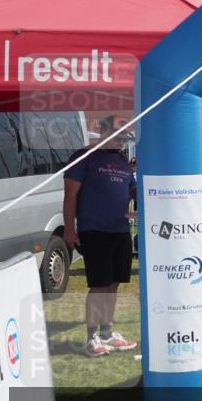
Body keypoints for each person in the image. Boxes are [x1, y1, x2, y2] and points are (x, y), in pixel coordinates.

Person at [63, 118, 138, 357]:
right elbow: (71, 194)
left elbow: (132, 189)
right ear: (102, 130)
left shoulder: (122, 161)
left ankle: (107, 332)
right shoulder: (84, 156)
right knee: (98, 286)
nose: (121, 141)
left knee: (113, 285)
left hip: (120, 230)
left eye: (125, 138)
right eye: (117, 135)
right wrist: (69, 228)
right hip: (94, 230)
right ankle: (91, 337)